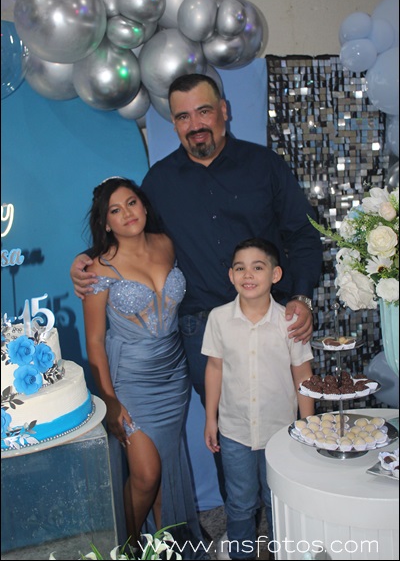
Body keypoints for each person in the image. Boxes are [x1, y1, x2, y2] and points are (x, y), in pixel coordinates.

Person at [70, 73, 323, 501]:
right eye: (183, 116)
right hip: (201, 332)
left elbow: (302, 235)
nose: (195, 124)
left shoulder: (265, 166)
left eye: (203, 111)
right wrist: (86, 260)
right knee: (228, 433)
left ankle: (287, 519)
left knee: (282, 424)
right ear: (173, 124)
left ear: (223, 111)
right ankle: (242, 524)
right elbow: (132, 240)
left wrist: (300, 297)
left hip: (271, 321)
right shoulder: (159, 183)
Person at [81, 176, 207, 558]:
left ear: (144, 205)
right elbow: (94, 342)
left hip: (173, 373)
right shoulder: (98, 269)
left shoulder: (166, 244)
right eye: (115, 210)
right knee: (146, 474)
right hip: (130, 380)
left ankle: (163, 546)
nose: (127, 214)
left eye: (131, 203)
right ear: (105, 223)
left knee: (165, 469)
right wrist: (109, 400)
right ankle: (129, 546)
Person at [203, 238, 314, 560]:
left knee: (278, 499)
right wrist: (211, 419)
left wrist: (307, 425)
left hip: (280, 432)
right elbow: (214, 368)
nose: (248, 275)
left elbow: (302, 374)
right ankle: (242, 555)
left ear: (275, 274)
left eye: (257, 267)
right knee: (240, 502)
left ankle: (285, 553)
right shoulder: (218, 318)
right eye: (240, 268)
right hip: (234, 430)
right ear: (231, 275)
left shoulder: (289, 321)